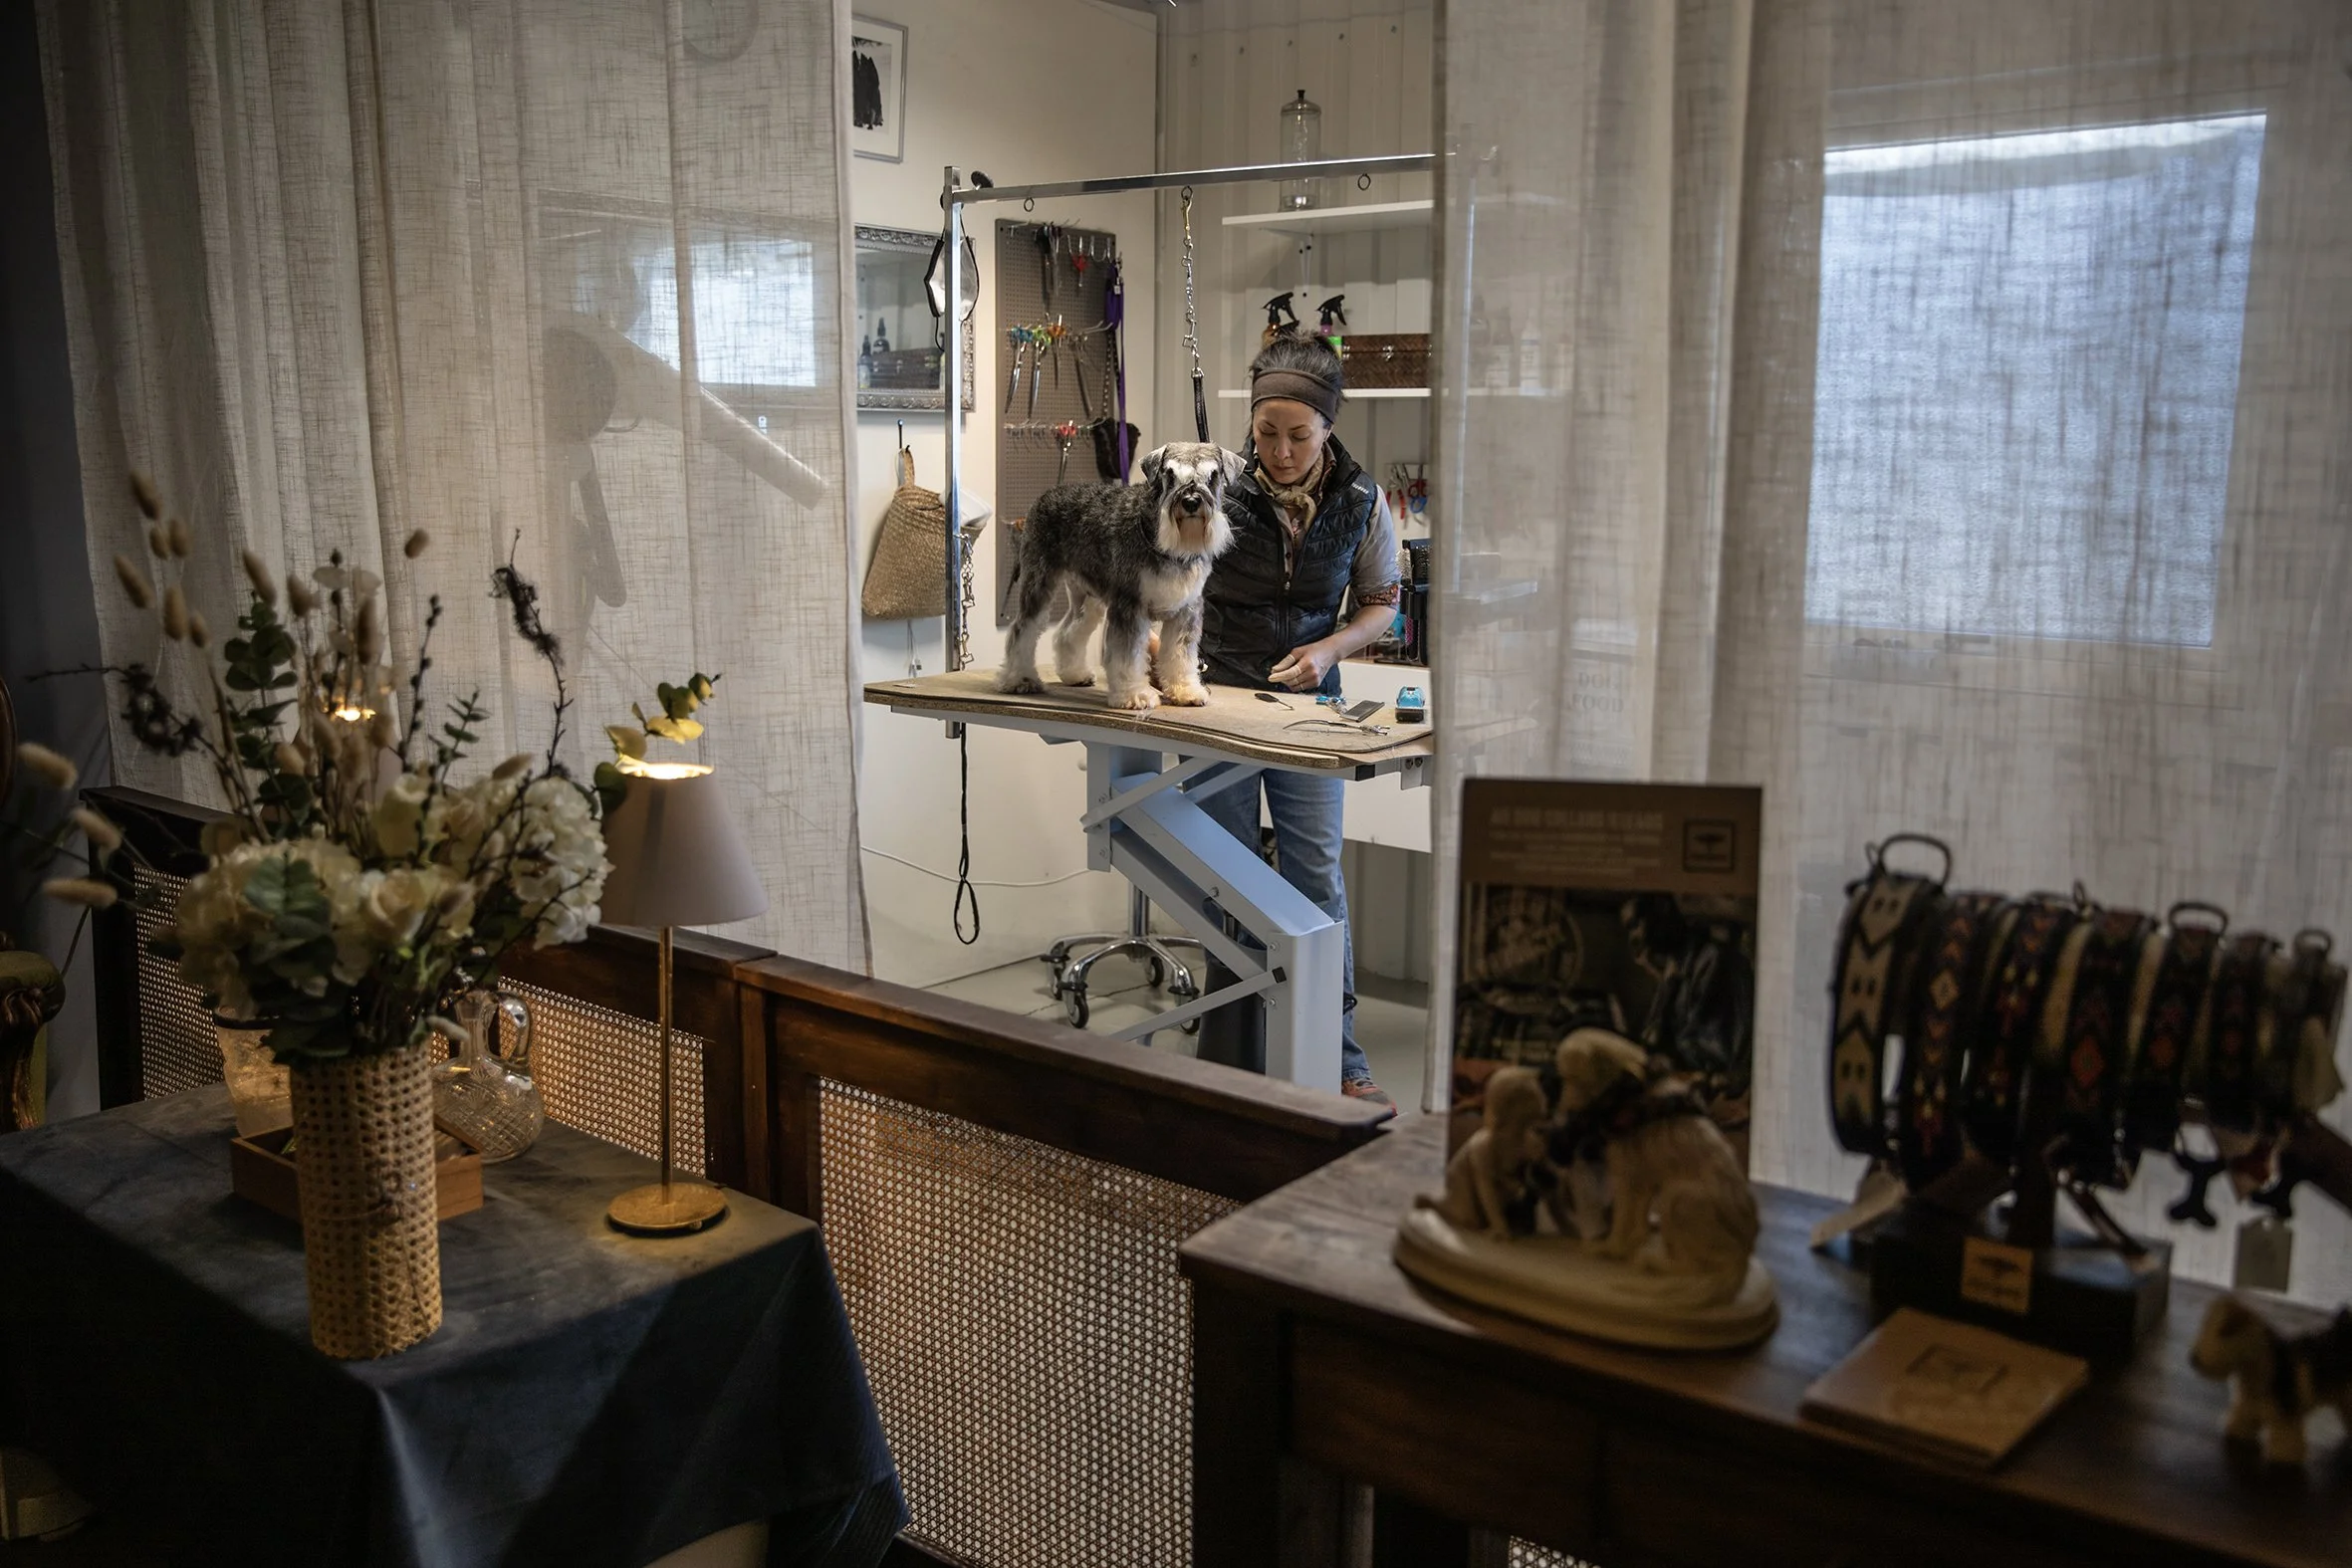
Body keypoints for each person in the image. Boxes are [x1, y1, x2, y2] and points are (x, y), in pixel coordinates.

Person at [1196, 330, 1404, 1109]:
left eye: (1299, 435)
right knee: (1228, 880)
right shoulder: (1214, 487)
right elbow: (1171, 575)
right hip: (1217, 701)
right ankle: (1230, 1059)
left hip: (1311, 708)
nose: (1280, 452)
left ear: (1328, 428)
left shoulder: (1361, 501)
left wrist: (1329, 647)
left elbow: (1381, 604)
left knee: (1315, 880)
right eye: (1266, 433)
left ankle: (1339, 1059)